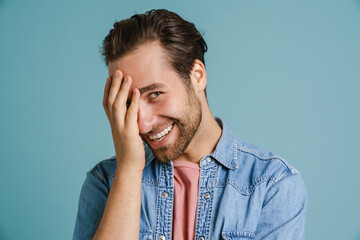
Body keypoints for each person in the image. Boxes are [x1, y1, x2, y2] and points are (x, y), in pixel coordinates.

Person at [73, 9, 307, 240]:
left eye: (155, 94)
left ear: (197, 76)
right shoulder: (105, 181)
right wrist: (129, 169)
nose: (142, 124)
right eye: (129, 103)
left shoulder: (271, 184)